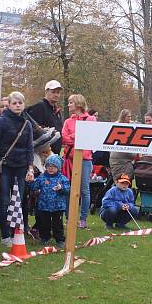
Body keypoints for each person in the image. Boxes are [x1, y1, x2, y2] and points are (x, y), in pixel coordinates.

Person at [0, 91, 35, 246]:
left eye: (20, 103)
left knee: (19, 200)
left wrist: (30, 168)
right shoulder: (2, 121)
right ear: (9, 105)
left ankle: (16, 232)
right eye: (14, 103)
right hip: (5, 166)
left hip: (22, 166)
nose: (17, 105)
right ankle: (5, 235)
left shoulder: (27, 123)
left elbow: (30, 147)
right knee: (4, 201)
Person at [61, 94, 97, 228]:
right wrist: (76, 136)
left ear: (78, 104)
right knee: (67, 188)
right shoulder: (67, 121)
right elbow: (64, 138)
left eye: (71, 102)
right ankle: (69, 217)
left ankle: (83, 218)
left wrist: (74, 136)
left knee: (84, 190)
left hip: (85, 159)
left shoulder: (91, 119)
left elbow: (89, 136)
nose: (68, 105)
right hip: (69, 159)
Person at [30, 154, 70, 247]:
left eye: (53, 166)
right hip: (44, 206)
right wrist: (30, 182)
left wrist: (61, 188)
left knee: (58, 224)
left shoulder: (62, 178)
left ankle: (60, 239)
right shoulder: (42, 177)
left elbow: (67, 189)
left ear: (58, 168)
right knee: (44, 223)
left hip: (58, 207)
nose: (51, 168)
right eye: (49, 166)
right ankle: (44, 238)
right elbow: (34, 187)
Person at [25, 80, 63, 153]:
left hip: (54, 154)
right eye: (53, 92)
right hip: (42, 154)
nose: (56, 95)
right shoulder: (40, 107)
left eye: (58, 92)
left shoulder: (56, 110)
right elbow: (32, 131)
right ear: (46, 92)